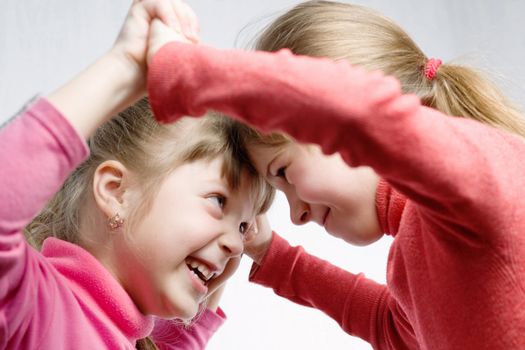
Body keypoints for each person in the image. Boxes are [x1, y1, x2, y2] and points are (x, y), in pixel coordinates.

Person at [142, 1, 525, 349]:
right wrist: (272, 254)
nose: (296, 215)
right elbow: (389, 325)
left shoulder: (481, 172)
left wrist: (181, 69)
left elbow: (355, 112)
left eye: (285, 171)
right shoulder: (414, 250)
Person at [0, 1, 273, 349]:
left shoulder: (122, 336)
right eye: (219, 200)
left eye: (243, 227)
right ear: (116, 192)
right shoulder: (38, 310)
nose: (237, 246)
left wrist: (210, 276)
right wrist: (123, 67)